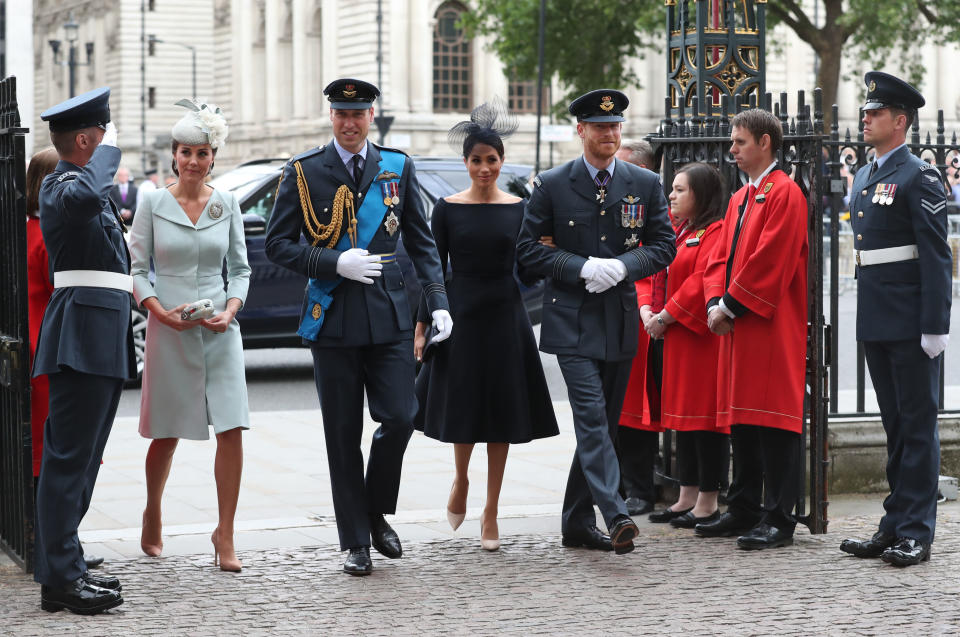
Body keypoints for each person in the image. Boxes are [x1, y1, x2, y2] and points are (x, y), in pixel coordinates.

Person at [265, 78, 452, 576]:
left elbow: (422, 240)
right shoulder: (305, 171)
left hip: (389, 313)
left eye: (359, 114)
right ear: (331, 117)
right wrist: (331, 262)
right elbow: (277, 245)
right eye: (342, 114)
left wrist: (436, 301)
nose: (350, 123)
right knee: (342, 432)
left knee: (399, 416)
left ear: (372, 115)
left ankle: (373, 511)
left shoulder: (398, 166)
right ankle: (355, 541)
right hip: (334, 316)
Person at [516, 89, 675, 555]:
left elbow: (662, 244)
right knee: (590, 417)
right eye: (599, 126)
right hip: (571, 318)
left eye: (615, 126)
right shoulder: (553, 183)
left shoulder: (643, 182)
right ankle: (615, 512)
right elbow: (527, 250)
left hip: (618, 316)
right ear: (580, 130)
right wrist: (579, 266)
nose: (609, 133)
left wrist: (625, 267)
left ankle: (575, 521)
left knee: (603, 424)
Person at [413, 101, 559, 551]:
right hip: (460, 315)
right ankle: (460, 480)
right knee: (464, 407)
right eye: (476, 160)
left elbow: (531, 268)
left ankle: (491, 510)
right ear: (466, 163)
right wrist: (422, 326)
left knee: (501, 413)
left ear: (500, 162)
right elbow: (431, 269)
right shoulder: (446, 209)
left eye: (491, 160)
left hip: (505, 316)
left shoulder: (520, 208)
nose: (484, 167)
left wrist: (548, 250)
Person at [130, 99, 251, 572]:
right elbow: (138, 269)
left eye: (203, 153)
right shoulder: (153, 204)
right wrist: (159, 311)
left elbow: (240, 269)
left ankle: (225, 533)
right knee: (166, 433)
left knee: (232, 426)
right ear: (174, 156)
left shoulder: (228, 203)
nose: (194, 162)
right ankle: (153, 509)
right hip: (169, 328)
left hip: (221, 329)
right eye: (186, 153)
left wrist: (231, 309)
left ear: (213, 157)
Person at [839, 72, 951, 567]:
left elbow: (934, 254)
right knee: (894, 427)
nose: (865, 118)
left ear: (900, 121)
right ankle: (894, 521)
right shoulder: (865, 175)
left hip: (909, 320)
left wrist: (935, 324)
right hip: (876, 316)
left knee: (918, 426)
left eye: (875, 112)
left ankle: (916, 532)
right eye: (865, 112)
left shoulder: (919, 176)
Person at [33, 86, 134, 614]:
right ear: (84, 139)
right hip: (81, 336)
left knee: (85, 459)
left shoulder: (81, 186)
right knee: (69, 458)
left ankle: (62, 568)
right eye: (102, 136)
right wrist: (109, 156)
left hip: (101, 334)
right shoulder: (62, 183)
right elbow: (84, 197)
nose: (108, 145)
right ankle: (61, 576)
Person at [695, 108, 809, 551]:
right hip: (738, 322)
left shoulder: (786, 193)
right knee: (741, 416)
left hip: (769, 323)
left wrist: (730, 306)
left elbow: (771, 261)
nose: (732, 150)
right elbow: (718, 259)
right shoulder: (741, 199)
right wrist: (713, 302)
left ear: (765, 143)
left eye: (740, 141)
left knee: (775, 420)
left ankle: (779, 516)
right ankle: (743, 504)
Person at [643, 163, 729, 528]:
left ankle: (708, 500)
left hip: (697, 338)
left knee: (705, 421)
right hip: (676, 335)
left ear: (701, 194)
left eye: (680, 189)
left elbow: (700, 282)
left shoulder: (716, 230)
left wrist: (665, 317)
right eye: (672, 189)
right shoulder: (681, 231)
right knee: (683, 421)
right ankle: (687, 495)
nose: (672, 196)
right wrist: (651, 310)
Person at [614, 139, 662, 517]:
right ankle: (610, 483)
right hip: (612, 307)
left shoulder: (650, 202)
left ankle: (640, 487)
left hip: (644, 312)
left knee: (638, 411)